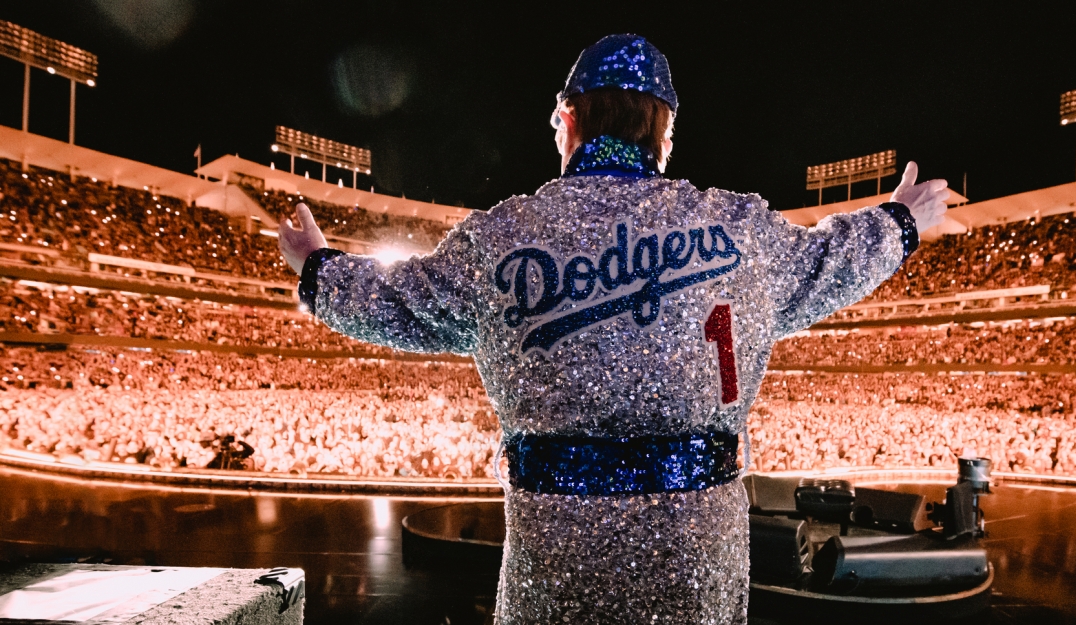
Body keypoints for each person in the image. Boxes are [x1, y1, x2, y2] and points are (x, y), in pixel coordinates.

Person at [279, 33, 947, 624]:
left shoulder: (504, 238)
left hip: (555, 557)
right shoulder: (738, 231)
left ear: (568, 120)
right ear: (666, 134)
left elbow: (401, 301)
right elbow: (830, 259)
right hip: (698, 558)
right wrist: (899, 222)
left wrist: (319, 269)